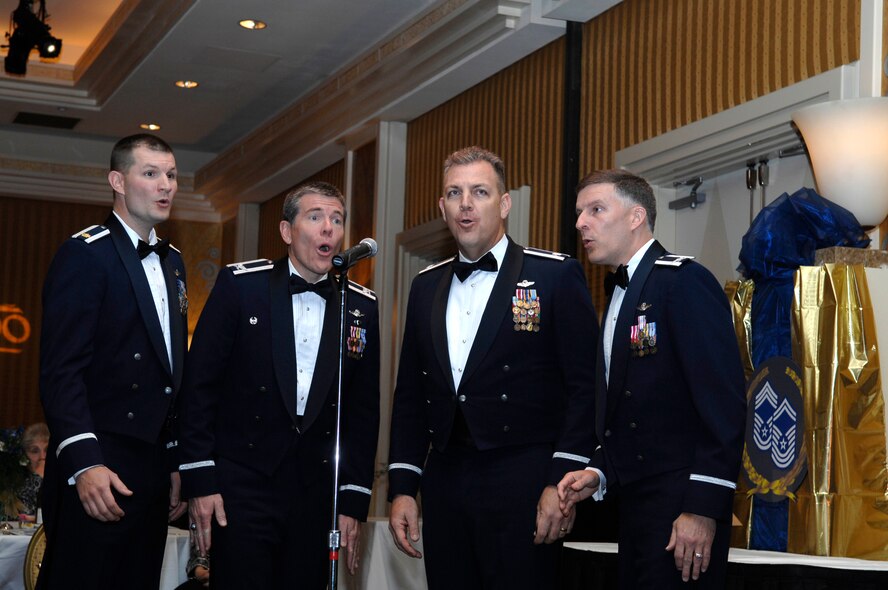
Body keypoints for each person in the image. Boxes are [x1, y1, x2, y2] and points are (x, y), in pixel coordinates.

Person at [387, 146, 598, 589]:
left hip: (524, 478)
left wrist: (558, 484)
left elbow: (585, 389)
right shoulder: (425, 286)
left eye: (479, 192)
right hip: (446, 480)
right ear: (442, 207)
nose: (466, 204)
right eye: (454, 193)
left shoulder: (554, 276)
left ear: (503, 204)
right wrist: (404, 486)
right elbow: (410, 396)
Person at [178, 181, 380, 589]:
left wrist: (353, 500)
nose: (328, 228)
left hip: (316, 493)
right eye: (315, 217)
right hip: (242, 487)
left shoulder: (361, 306)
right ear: (287, 232)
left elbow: (363, 411)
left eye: (336, 220)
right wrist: (201, 481)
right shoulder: (241, 287)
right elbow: (199, 389)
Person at [558, 169, 746, 588]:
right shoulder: (622, 296)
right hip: (636, 508)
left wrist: (702, 508)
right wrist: (599, 472)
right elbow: (636, 411)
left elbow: (724, 405)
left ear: (635, 216)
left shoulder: (683, 282)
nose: (580, 223)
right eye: (578, 212)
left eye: (596, 209)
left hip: (682, 508)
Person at [37, 133, 188, 590]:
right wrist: (85, 463)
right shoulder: (85, 254)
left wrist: (177, 458)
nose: (166, 185)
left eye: (172, 174)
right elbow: (61, 371)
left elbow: (172, 374)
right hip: (100, 466)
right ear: (117, 181)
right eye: (151, 173)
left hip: (153, 471)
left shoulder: (174, 262)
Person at [17, 422, 49, 521]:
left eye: (47, 450)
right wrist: (38, 477)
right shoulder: (15, 479)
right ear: (24, 454)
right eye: (35, 451)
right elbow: (24, 515)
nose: (42, 457)